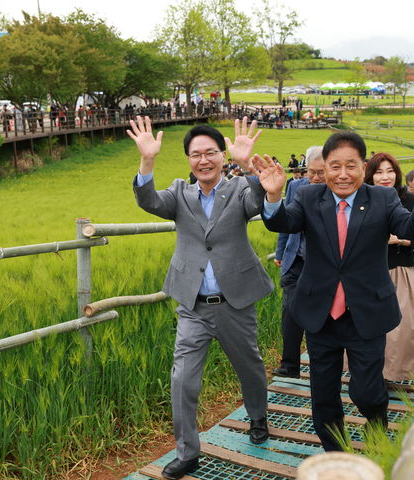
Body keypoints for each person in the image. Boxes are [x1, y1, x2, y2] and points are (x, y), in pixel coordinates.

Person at [255, 130, 414, 451]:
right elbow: (282, 223)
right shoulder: (309, 197)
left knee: (366, 392)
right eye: (335, 166)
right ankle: (337, 454)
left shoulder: (383, 199)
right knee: (323, 395)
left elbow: (411, 230)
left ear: (363, 167)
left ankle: (377, 423)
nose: (343, 175)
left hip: (366, 312)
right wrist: (274, 197)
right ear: (325, 167)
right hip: (321, 314)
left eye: (351, 166)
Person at [129, 116, 272, 480]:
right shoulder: (179, 193)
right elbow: (148, 200)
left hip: (235, 302)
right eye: (196, 155)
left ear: (222, 156)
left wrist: (246, 165)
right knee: (182, 380)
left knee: (250, 367)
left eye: (211, 153)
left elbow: (260, 203)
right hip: (192, 306)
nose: (204, 160)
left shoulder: (238, 189)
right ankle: (188, 452)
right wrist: (147, 161)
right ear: (189, 160)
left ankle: (258, 417)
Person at [365, 153, 414, 381]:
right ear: (371, 175)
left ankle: (394, 373)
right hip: (367, 271)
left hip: (399, 266)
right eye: (379, 172)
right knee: (368, 323)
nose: (385, 177)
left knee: (401, 325)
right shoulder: (361, 198)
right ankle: (369, 372)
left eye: (390, 171)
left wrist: (400, 240)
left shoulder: (408, 198)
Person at [272, 146, 326, 378]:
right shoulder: (296, 186)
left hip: (323, 265)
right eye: (311, 172)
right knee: (290, 312)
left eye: (321, 173)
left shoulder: (338, 192)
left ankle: (322, 366)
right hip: (296, 260)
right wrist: (280, 252)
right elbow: (286, 222)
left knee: (320, 317)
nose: (315, 178)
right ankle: (290, 364)